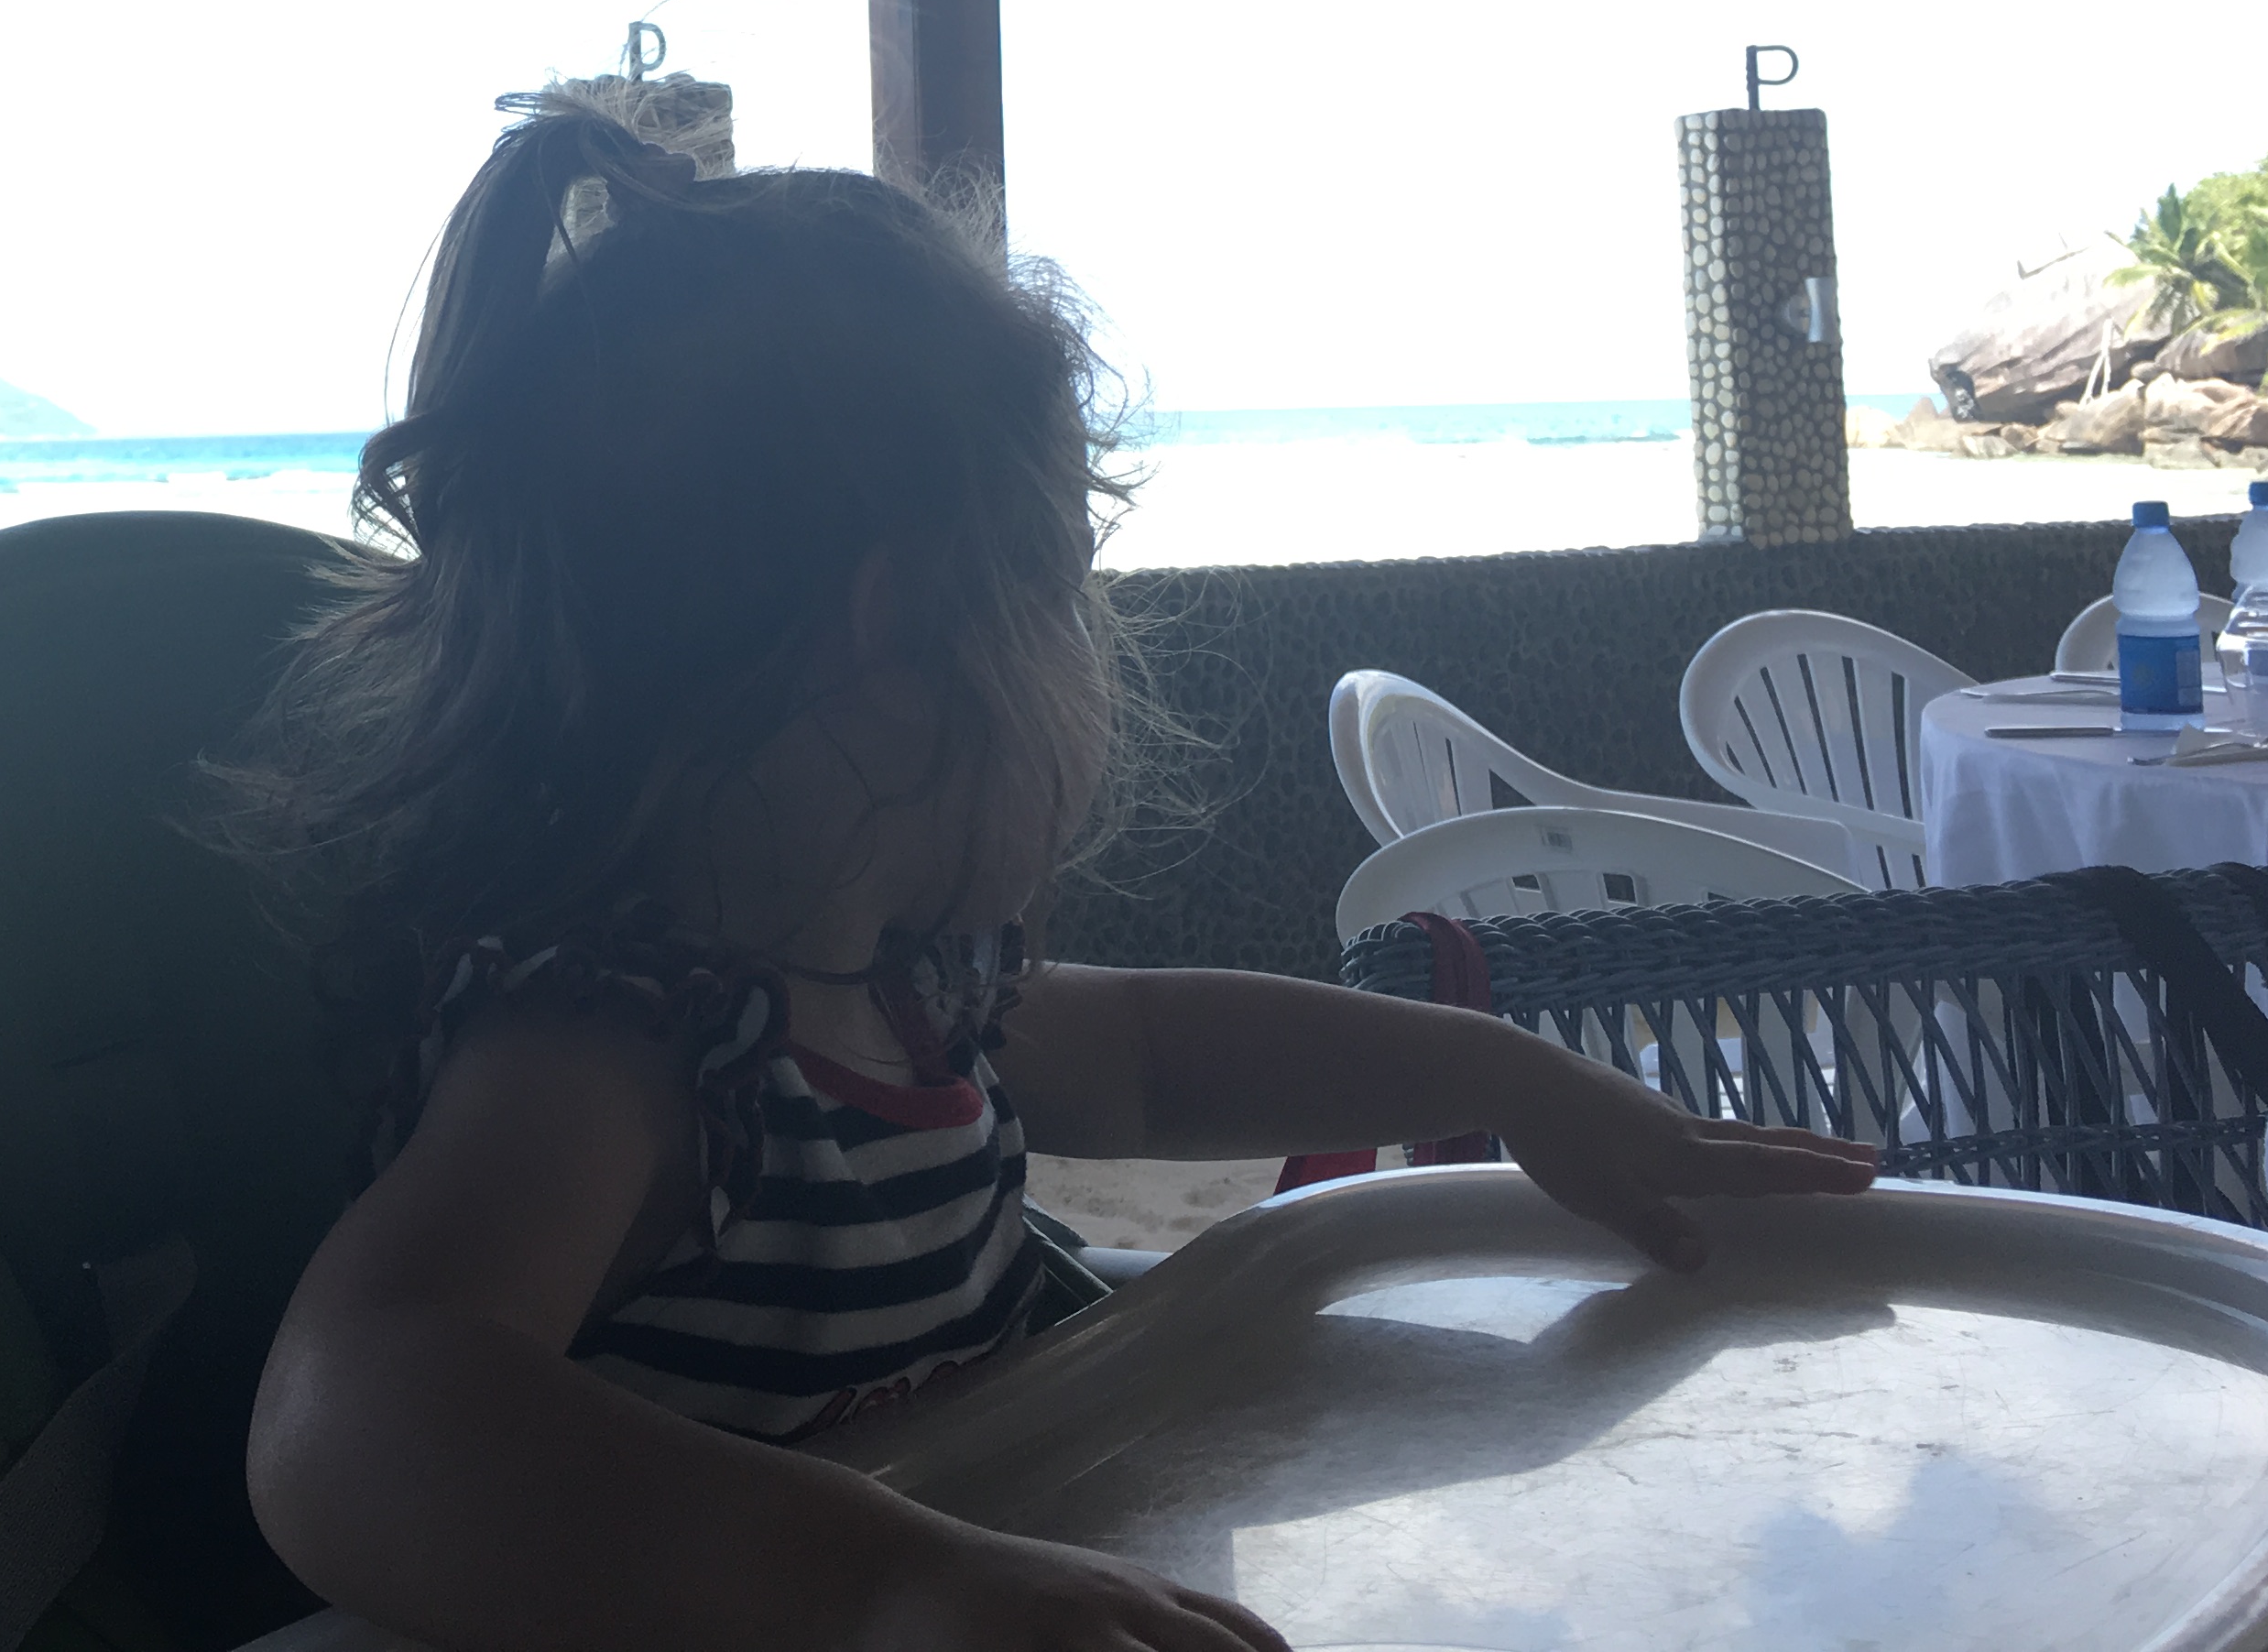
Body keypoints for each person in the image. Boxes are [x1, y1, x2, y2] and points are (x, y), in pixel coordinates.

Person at [219, 104, 1877, 1652]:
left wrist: (1509, 1080)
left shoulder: (900, 1001)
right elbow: (350, 1419)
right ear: (894, 628)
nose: (1092, 665)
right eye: (1066, 595)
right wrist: (882, 1582)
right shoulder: (621, 1055)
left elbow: (1157, 1056)